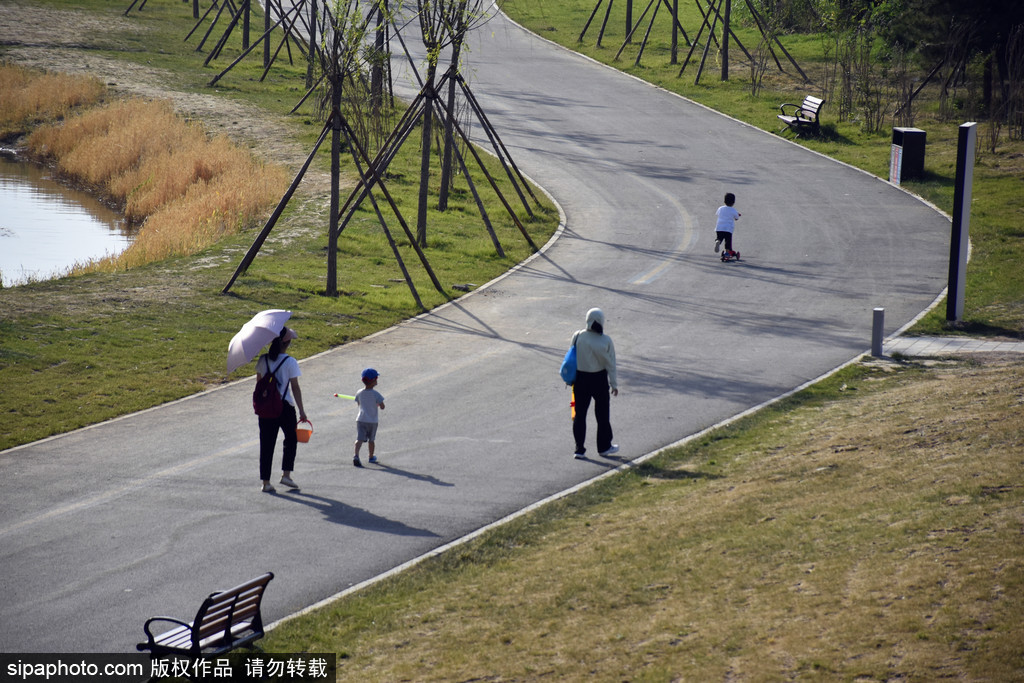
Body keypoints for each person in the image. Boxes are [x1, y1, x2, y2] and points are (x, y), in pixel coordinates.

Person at [255, 327, 307, 492]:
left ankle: (265, 482)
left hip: (266, 408)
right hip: (285, 406)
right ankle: (286, 475)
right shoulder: (290, 361)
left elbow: (259, 384)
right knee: (291, 439)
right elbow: (295, 388)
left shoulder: (263, 360)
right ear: (287, 343)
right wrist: (302, 411)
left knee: (266, 443)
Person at [571, 308, 619, 459]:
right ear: (602, 321)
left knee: (580, 416)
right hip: (599, 380)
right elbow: (611, 364)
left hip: (580, 380)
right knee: (602, 415)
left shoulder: (578, 336)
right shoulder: (606, 340)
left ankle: (579, 449)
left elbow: (572, 356)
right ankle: (604, 447)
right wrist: (614, 384)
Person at [353, 367, 385, 467]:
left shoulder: (359, 393)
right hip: (372, 421)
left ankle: (356, 455)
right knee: (371, 440)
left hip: (361, 419)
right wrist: (377, 405)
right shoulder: (376, 395)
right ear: (374, 380)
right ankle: (371, 456)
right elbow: (382, 406)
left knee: (359, 438)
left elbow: (359, 403)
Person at [714, 192, 742, 258]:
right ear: (733, 202)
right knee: (727, 242)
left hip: (719, 227)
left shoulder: (720, 208)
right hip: (728, 229)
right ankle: (727, 253)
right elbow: (736, 218)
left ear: (724, 201)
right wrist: (737, 215)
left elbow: (717, 214)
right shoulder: (733, 210)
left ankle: (718, 241)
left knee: (719, 237)